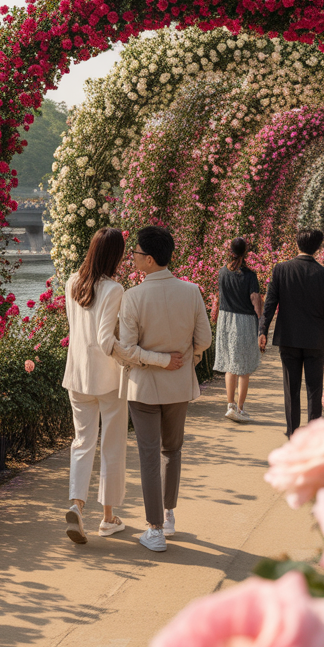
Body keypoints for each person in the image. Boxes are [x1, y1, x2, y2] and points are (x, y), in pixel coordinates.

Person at [62, 227, 182, 545]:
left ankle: (76, 504)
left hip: (76, 375)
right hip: (108, 378)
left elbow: (78, 331)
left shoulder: (72, 282)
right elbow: (105, 340)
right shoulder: (114, 288)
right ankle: (107, 518)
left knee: (82, 442)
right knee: (112, 446)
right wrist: (145, 359)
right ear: (114, 255)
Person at [119, 226, 212, 553]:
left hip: (144, 386)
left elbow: (127, 348)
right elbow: (204, 339)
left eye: (136, 253)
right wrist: (187, 360)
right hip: (178, 385)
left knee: (149, 455)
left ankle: (154, 529)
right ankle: (168, 516)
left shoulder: (133, 296)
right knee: (172, 450)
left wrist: (158, 360)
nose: (133, 257)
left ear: (149, 258)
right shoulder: (191, 291)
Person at [258, 228, 324, 437]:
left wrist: (263, 330)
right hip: (315, 339)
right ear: (317, 247)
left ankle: (292, 432)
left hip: (289, 337)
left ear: (297, 245)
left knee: (291, 388)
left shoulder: (281, 270)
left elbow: (270, 304)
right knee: (315, 388)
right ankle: (314, 433)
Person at [209, 237, 263, 423]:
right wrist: (261, 321)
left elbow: (219, 295)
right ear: (245, 252)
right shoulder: (249, 275)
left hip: (226, 319)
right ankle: (240, 409)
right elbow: (255, 300)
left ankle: (230, 405)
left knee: (230, 365)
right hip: (244, 321)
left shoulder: (222, 272)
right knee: (244, 368)